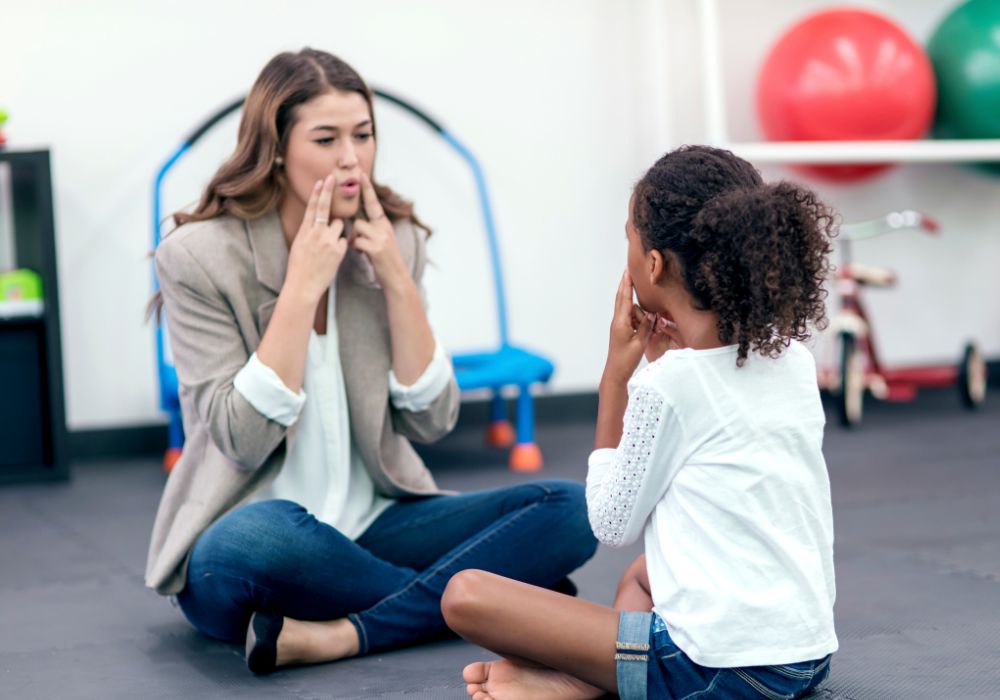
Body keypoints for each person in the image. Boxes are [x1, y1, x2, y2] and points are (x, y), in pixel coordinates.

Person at [145, 47, 596, 675]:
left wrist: (392, 274)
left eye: (363, 135)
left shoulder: (394, 237)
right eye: (326, 138)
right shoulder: (198, 256)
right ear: (275, 148)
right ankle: (487, 599)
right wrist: (302, 286)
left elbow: (431, 421)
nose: (351, 157)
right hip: (253, 533)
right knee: (258, 538)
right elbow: (241, 439)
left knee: (572, 508)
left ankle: (346, 632)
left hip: (374, 521)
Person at [441, 145, 838, 699]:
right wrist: (661, 369)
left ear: (652, 264)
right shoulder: (792, 359)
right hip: (804, 658)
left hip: (719, 673)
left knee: (465, 594)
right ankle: (596, 677)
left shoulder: (667, 386)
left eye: (629, 237)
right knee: (642, 576)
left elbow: (610, 523)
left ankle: (596, 681)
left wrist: (615, 380)